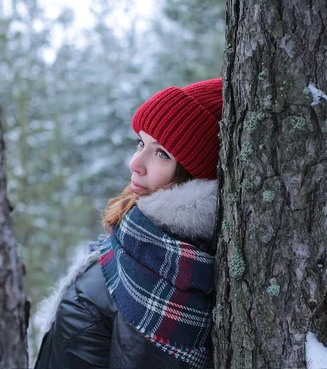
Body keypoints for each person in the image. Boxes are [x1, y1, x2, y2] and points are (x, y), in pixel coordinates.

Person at [34, 79, 223, 369]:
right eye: (141, 143)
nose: (135, 162)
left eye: (162, 153)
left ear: (193, 176)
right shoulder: (138, 242)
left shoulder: (160, 273)